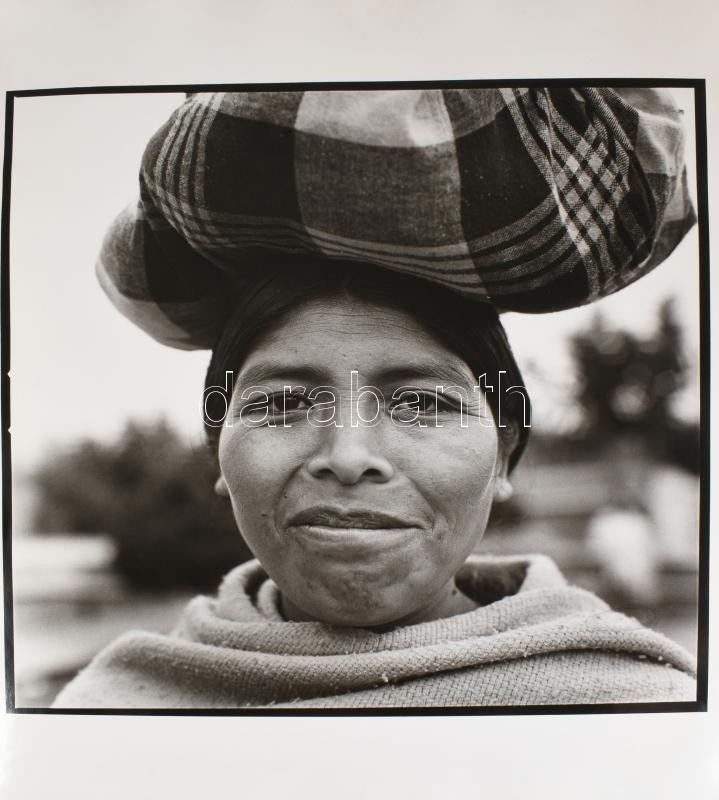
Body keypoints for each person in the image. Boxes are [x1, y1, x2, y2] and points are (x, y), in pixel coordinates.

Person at [54, 88, 697, 708]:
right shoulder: (114, 709)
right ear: (219, 446)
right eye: (282, 405)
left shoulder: (637, 710)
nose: (348, 456)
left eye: (420, 405)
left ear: (504, 452)